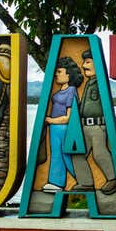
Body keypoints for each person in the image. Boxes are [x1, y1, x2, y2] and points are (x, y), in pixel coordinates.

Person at [71, 51, 116, 194]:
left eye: (88, 62)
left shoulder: (100, 84)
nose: (84, 66)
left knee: (99, 153)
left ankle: (113, 178)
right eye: (84, 62)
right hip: (84, 126)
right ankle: (86, 182)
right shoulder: (89, 83)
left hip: (97, 126)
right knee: (77, 153)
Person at [43, 58, 83, 192]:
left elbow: (68, 117)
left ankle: (82, 179)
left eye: (59, 71)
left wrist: (50, 120)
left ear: (69, 74)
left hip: (63, 128)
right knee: (56, 154)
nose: (56, 74)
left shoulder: (71, 90)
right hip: (54, 128)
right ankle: (56, 182)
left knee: (67, 154)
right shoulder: (60, 90)